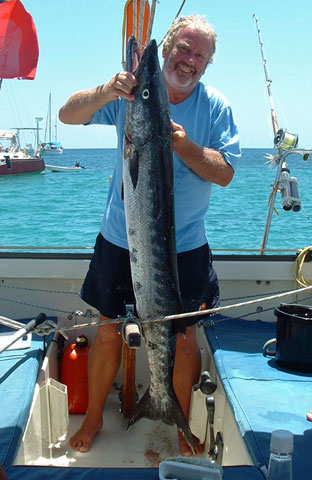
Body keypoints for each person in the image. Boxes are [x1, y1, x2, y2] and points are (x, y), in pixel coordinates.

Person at [59, 14, 241, 457]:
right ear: (170, 48)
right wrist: (109, 89)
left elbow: (226, 173)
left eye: (200, 55)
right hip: (121, 237)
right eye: (184, 48)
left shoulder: (214, 106)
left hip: (186, 247)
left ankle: (174, 416)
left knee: (183, 338)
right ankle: (98, 416)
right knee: (106, 330)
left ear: (208, 63)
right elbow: (67, 115)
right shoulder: (130, 92)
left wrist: (181, 145)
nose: (189, 60)